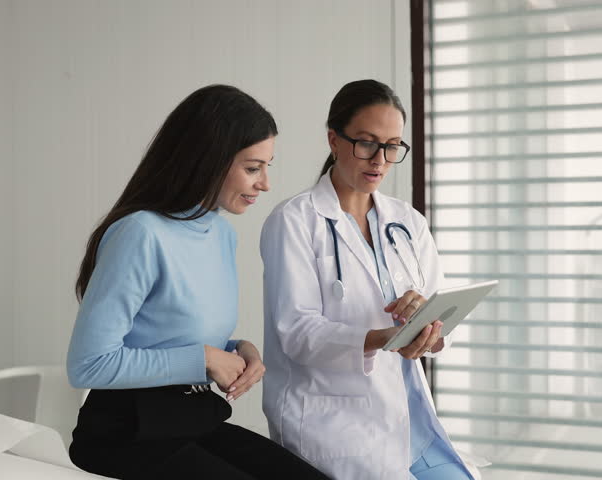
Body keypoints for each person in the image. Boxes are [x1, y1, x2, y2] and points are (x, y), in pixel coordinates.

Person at [66, 85, 330, 480]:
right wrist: (206, 359)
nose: (265, 184)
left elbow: (167, 332)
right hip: (125, 436)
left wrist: (238, 349)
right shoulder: (140, 233)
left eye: (267, 167)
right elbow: (89, 365)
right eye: (252, 167)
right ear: (208, 160)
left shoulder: (222, 235)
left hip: (189, 421)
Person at [260, 80, 484, 479]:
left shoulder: (407, 222)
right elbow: (296, 332)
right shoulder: (294, 221)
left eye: (392, 145)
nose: (380, 159)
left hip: (411, 419)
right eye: (367, 143)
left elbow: (441, 313)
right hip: (336, 427)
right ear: (334, 139)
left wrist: (427, 322)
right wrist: (381, 337)